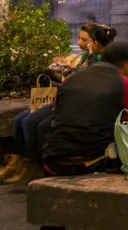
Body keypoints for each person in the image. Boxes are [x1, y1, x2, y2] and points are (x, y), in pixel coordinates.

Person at [1, 23, 117, 183]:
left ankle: (33, 166)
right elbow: (72, 73)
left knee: (33, 124)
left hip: (75, 105)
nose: (79, 42)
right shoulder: (83, 56)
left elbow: (86, 78)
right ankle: (17, 164)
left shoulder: (101, 59)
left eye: (84, 39)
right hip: (64, 98)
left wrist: (76, 67)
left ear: (95, 42)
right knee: (19, 120)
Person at [42, 40, 128, 177]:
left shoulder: (71, 78)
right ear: (127, 63)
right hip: (91, 162)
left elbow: (56, 111)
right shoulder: (123, 83)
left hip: (53, 160)